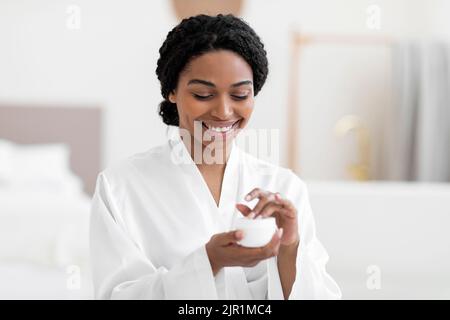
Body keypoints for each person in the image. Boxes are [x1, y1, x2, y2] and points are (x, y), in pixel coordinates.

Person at [89, 13, 342, 299]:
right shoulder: (120, 187)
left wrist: (289, 245)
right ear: (172, 91)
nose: (223, 112)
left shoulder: (284, 188)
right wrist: (208, 262)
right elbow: (117, 296)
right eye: (203, 95)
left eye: (240, 95)